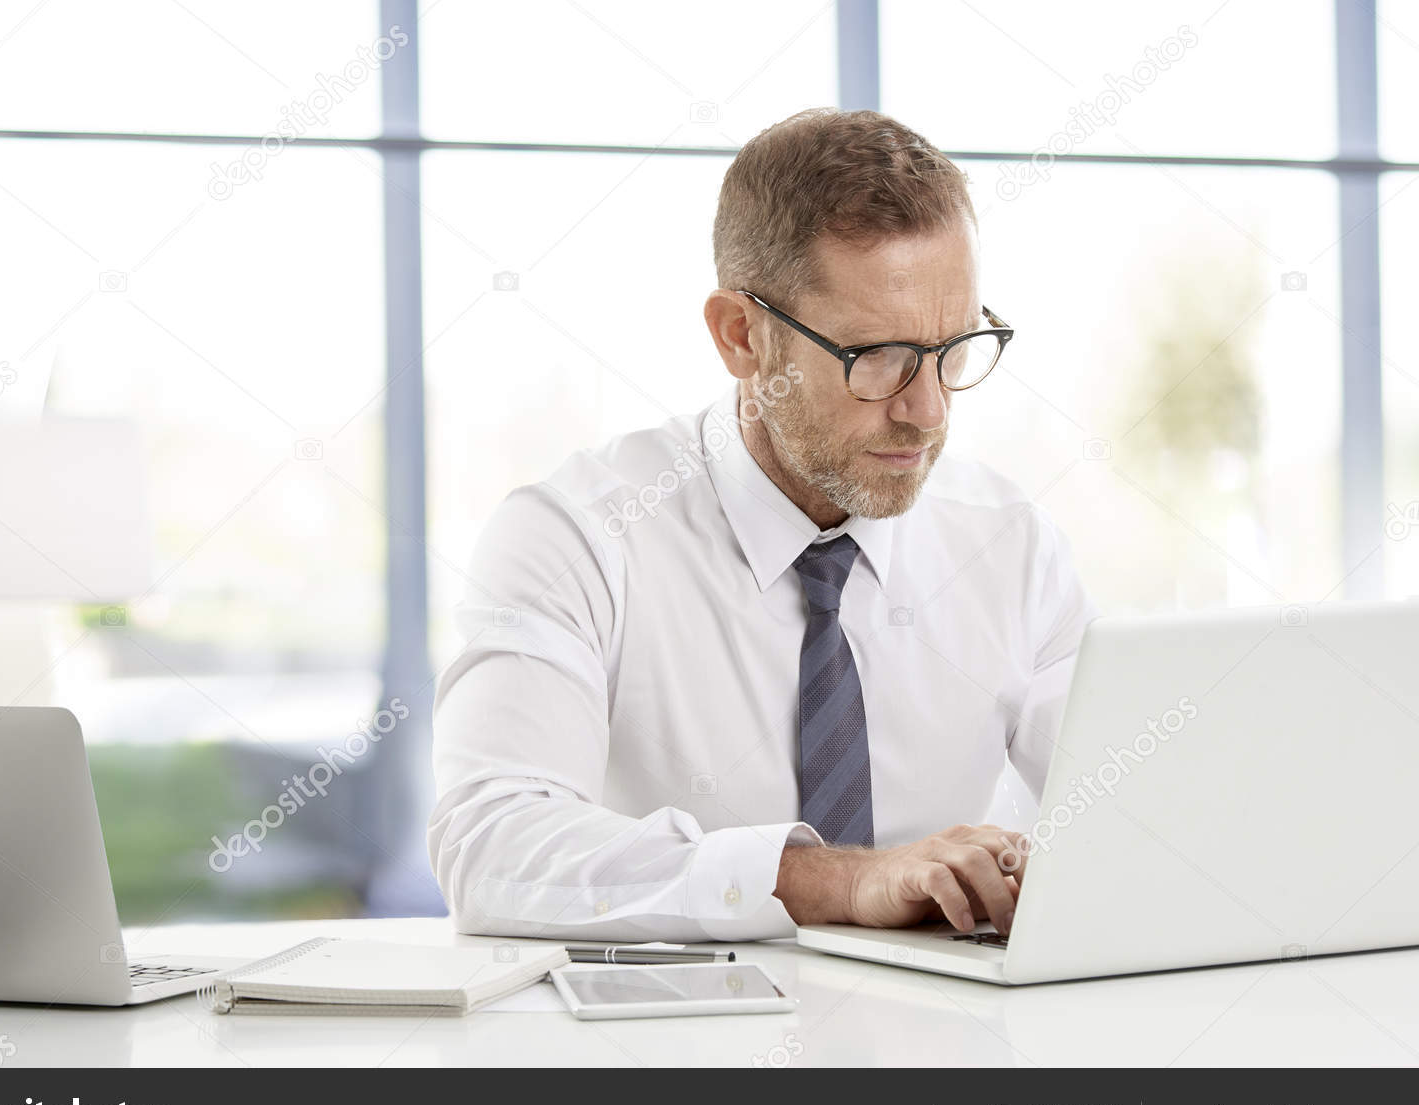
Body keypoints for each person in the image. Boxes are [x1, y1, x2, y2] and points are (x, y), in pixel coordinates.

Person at [428, 108, 1094, 942]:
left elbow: (1141, 816)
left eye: (954, 347)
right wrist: (834, 880)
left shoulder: (1012, 548)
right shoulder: (578, 537)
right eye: (876, 357)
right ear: (741, 336)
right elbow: (491, 846)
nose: (926, 412)